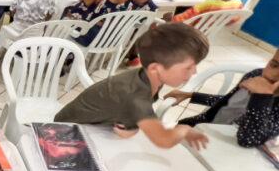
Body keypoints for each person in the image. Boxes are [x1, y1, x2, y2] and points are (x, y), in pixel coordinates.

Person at [55, 23, 210, 150]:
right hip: (66, 134)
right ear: (156, 68)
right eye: (188, 67)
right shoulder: (136, 96)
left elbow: (136, 111)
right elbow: (164, 140)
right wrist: (184, 130)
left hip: (97, 127)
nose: (195, 71)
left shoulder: (148, 76)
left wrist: (132, 125)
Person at [165, 49, 279, 148]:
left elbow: (248, 140)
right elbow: (231, 103)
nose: (272, 74)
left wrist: (262, 97)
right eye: (274, 65)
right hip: (199, 130)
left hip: (231, 149)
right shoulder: (255, 75)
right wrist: (191, 95)